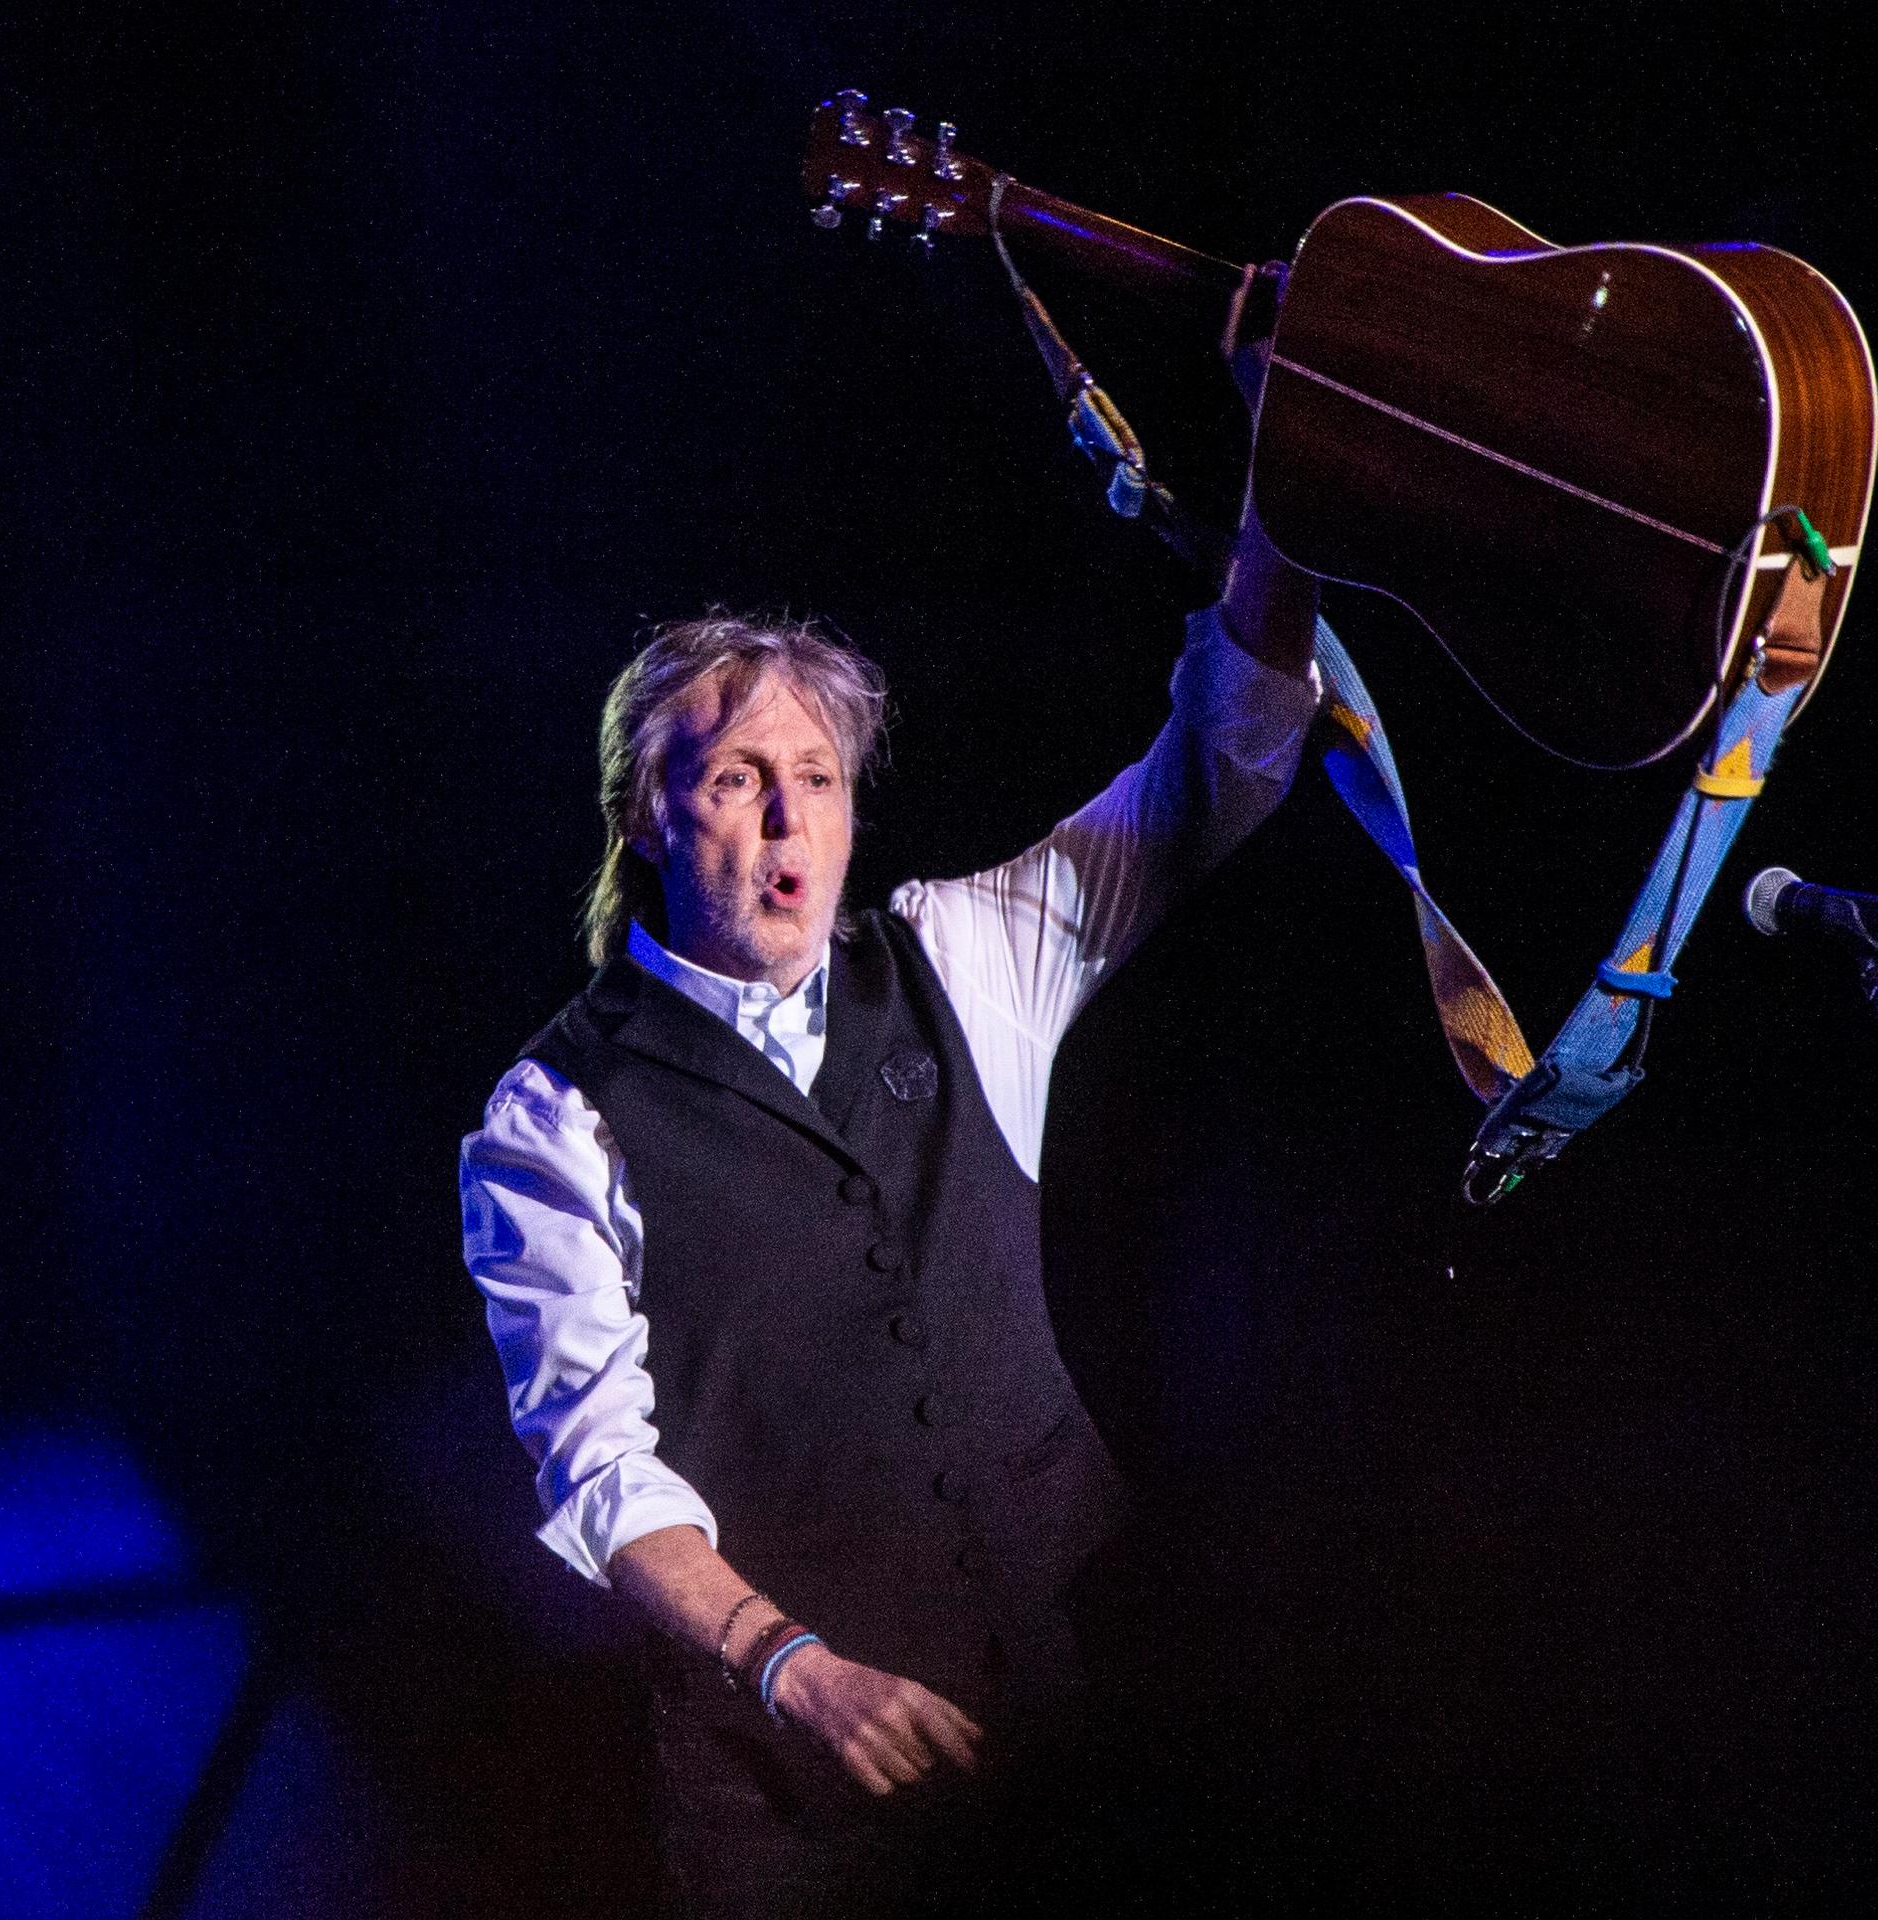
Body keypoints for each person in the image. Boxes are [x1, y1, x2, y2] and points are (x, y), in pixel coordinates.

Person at [458, 501, 1319, 1914]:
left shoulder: (959, 957)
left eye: (818, 774)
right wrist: (799, 1669)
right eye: (738, 778)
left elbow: (1217, 764)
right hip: (802, 1800)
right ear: (644, 811)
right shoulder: (552, 1119)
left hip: (1080, 1702)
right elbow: (599, 1475)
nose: (792, 818)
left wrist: (1290, 503)